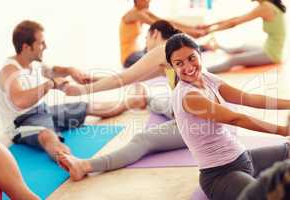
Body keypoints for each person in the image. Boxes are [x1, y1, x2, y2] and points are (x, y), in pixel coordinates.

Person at [58, 21, 290, 183]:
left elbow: (126, 77)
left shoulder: (163, 52)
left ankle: (86, 166)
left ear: (155, 34)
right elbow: (134, 77)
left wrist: (81, 90)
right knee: (159, 101)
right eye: (180, 64)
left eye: (146, 37)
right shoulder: (180, 50)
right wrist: (94, 80)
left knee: (142, 138)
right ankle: (145, 98)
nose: (145, 44)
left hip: (201, 118)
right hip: (198, 108)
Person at [0, 20, 145, 181]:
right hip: (22, 122)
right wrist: (50, 84)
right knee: (48, 137)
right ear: (26, 47)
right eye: (41, 43)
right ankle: (74, 163)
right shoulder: (9, 71)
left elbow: (52, 70)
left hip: (42, 109)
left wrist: (70, 71)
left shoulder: (32, 63)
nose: (45, 46)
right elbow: (20, 100)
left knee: (89, 106)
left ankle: (133, 101)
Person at [165, 33, 290, 200]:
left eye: (191, 58)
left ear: (199, 54)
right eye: (179, 63)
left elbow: (248, 98)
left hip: (243, 158)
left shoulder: (207, 78)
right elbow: (235, 118)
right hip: (220, 175)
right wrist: (283, 130)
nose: (188, 67)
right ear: (172, 67)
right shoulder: (189, 97)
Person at [199, 0, 286, 73]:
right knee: (242, 47)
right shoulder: (269, 4)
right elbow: (235, 19)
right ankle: (215, 47)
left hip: (272, 54)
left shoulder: (265, 7)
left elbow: (234, 22)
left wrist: (208, 31)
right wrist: (208, 26)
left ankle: (201, 72)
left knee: (234, 60)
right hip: (268, 48)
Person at [120, 0, 207, 68]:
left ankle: (201, 47)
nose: (149, 1)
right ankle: (203, 47)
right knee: (164, 57)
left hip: (140, 51)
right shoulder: (134, 14)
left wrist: (193, 28)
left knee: (167, 49)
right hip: (129, 57)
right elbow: (163, 26)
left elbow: (166, 22)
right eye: (146, 0)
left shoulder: (142, 11)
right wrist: (191, 32)